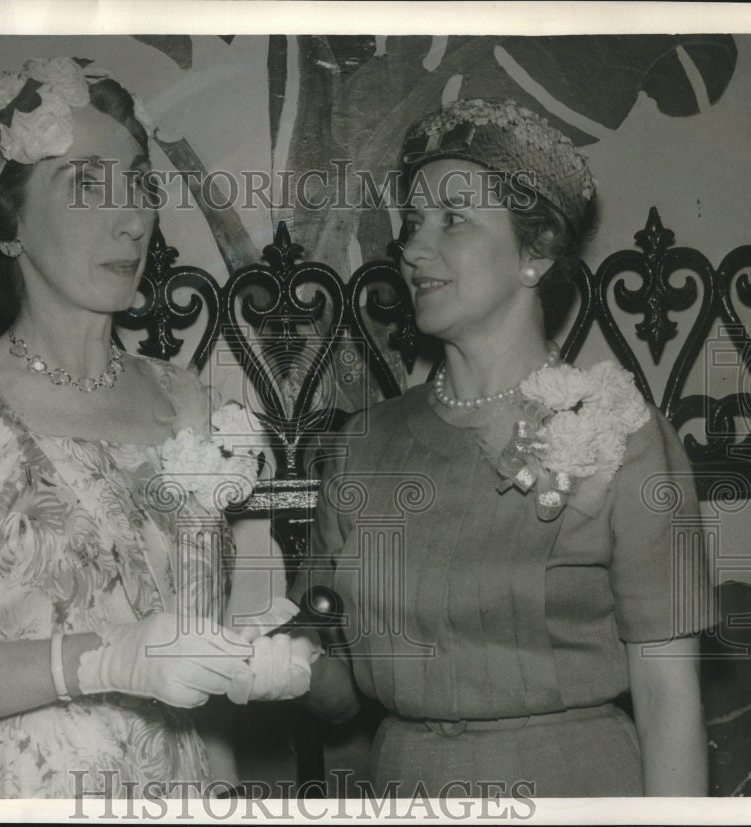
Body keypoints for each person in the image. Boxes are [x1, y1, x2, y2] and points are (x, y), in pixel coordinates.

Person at [0, 56, 312, 800]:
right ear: (10, 225)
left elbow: (210, 637)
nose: (132, 216)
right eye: (87, 187)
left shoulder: (188, 403)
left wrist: (256, 646)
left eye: (137, 182)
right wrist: (101, 660)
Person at [294, 98, 713, 797]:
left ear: (537, 251)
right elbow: (335, 695)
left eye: (454, 220)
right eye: (413, 223)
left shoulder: (622, 434)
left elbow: (669, 699)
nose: (414, 248)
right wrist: (266, 651)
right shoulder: (362, 445)